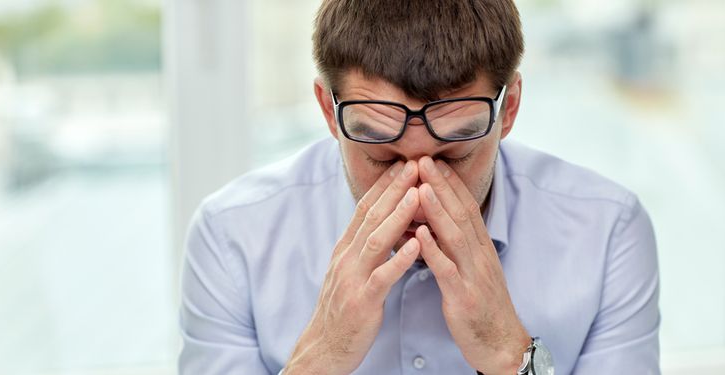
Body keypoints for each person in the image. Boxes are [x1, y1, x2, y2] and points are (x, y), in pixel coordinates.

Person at [178, 0, 661, 374]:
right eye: (380, 153)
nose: (418, 186)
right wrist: (323, 354)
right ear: (329, 111)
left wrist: (507, 352)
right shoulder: (232, 236)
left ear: (509, 107)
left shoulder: (608, 232)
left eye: (455, 151)